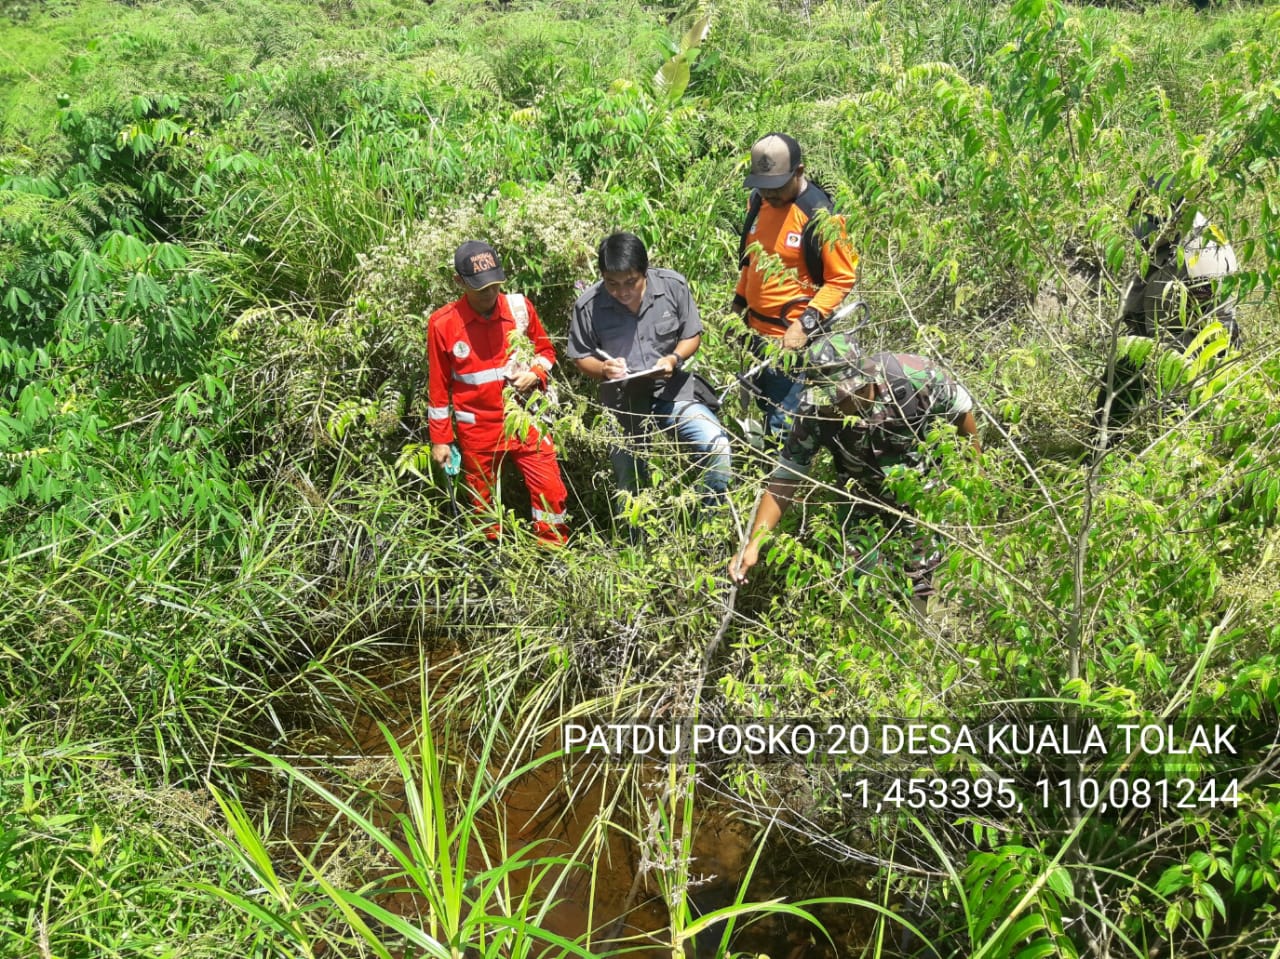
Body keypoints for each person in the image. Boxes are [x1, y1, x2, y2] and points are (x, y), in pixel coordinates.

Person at [728, 333, 980, 600]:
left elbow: (962, 413)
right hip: (861, 498)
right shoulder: (814, 411)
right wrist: (753, 542)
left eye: (842, 397)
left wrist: (974, 476)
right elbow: (786, 477)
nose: (835, 408)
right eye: (828, 400)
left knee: (921, 579)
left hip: (921, 493)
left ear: (865, 380)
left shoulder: (914, 376)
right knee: (861, 585)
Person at [568, 232, 730, 511]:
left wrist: (673, 358)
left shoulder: (673, 286)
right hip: (622, 403)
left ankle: (707, 520)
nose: (622, 291)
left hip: (671, 392)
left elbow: (692, 335)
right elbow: (580, 356)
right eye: (612, 284)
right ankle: (635, 545)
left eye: (630, 282)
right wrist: (604, 369)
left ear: (645, 271)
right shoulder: (588, 305)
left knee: (717, 446)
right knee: (629, 485)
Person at [427, 240, 570, 544]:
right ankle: (494, 561)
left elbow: (546, 351)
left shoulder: (520, 309)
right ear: (459, 282)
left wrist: (536, 373)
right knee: (483, 505)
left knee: (551, 492)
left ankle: (554, 555)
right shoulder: (443, 324)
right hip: (477, 430)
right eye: (480, 289)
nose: (490, 294)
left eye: (494, 285)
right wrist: (441, 440)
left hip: (526, 421)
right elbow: (439, 390)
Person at [733, 132, 860, 435]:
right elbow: (753, 259)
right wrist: (738, 305)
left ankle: (784, 479)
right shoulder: (758, 203)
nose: (769, 195)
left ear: (799, 172)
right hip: (754, 337)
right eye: (762, 187)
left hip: (791, 344)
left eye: (775, 187)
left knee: (784, 427)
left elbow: (841, 278)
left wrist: (804, 324)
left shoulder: (821, 216)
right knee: (763, 410)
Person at [1094, 180, 1241, 435]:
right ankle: (1102, 443)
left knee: (1175, 407)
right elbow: (1138, 302)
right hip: (1158, 331)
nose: (1140, 234)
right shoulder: (1166, 244)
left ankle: (1175, 455)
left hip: (1194, 346)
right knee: (1117, 382)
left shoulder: (1201, 255)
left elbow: (1199, 335)